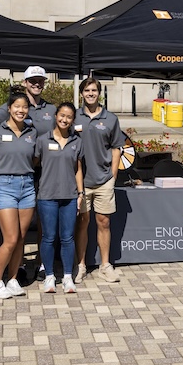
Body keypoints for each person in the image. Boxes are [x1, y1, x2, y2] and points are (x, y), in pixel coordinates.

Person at [0, 65, 56, 283]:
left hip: (44, 173)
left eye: (40, 80)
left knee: (44, 223)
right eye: (32, 80)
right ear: (25, 82)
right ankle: (18, 267)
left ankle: (42, 264)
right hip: (20, 174)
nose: (36, 83)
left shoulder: (50, 108)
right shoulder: (9, 107)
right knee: (15, 234)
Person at [74, 77, 126, 283]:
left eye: (94, 90)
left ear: (99, 93)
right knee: (82, 223)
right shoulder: (74, 116)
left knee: (103, 222)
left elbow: (116, 149)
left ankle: (105, 265)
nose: (90, 94)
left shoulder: (111, 119)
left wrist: (113, 177)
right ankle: (81, 265)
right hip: (80, 182)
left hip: (104, 179)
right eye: (87, 90)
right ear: (81, 93)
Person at [0, 92, 37, 299]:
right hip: (4, 186)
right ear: (9, 108)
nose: (20, 110)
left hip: (27, 186)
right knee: (10, 238)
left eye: (24, 107)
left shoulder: (32, 132)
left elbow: (35, 159)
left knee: (21, 238)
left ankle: (13, 278)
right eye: (16, 106)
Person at [34, 102, 84, 293]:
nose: (65, 119)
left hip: (70, 196)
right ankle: (49, 276)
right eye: (62, 115)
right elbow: (35, 163)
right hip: (47, 196)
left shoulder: (77, 142)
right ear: (56, 116)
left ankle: (67, 277)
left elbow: (78, 170)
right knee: (48, 237)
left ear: (73, 120)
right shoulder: (42, 140)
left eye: (69, 117)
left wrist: (80, 194)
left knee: (67, 238)